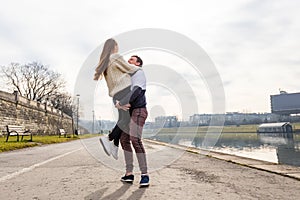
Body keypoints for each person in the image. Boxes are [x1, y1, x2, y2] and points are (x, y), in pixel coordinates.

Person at [94, 38, 140, 160]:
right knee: (125, 120)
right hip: (124, 91)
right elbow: (130, 69)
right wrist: (140, 69)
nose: (118, 48)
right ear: (114, 46)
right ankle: (109, 138)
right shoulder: (115, 57)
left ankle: (114, 145)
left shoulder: (105, 62)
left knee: (123, 119)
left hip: (116, 94)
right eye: (117, 45)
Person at [115, 55, 150, 187]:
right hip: (131, 112)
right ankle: (129, 174)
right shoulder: (130, 77)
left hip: (139, 111)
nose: (129, 61)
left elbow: (137, 91)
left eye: (132, 60)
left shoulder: (139, 72)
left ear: (138, 63)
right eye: (128, 59)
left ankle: (145, 175)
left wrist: (124, 102)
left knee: (135, 139)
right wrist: (120, 104)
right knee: (124, 139)